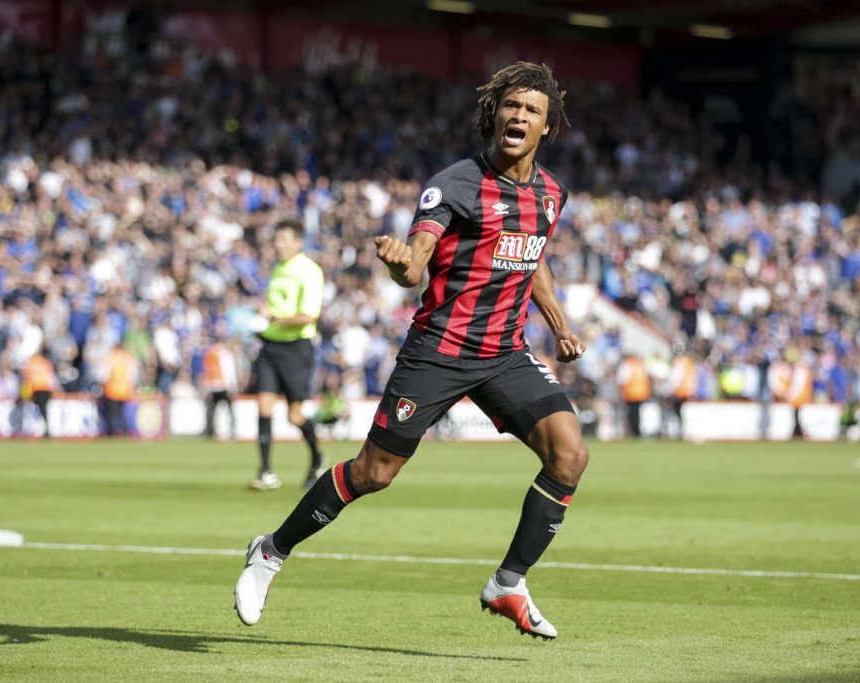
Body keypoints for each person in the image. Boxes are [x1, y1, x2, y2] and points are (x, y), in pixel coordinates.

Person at [235, 62, 589, 640]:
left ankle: (508, 583)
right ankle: (270, 552)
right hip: (440, 350)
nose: (518, 116)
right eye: (510, 107)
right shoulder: (453, 184)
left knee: (569, 455)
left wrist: (559, 324)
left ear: (547, 127)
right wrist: (404, 266)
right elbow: (416, 265)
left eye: (531, 110)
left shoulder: (552, 192)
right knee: (374, 474)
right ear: (494, 114)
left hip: (504, 351)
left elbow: (534, 257)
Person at [249, 218, 327, 490]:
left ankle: (318, 458)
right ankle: (266, 472)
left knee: (295, 416)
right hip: (270, 346)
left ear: (297, 241)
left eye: (282, 240)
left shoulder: (309, 270)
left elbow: (309, 316)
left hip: (296, 348)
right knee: (264, 406)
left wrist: (273, 317)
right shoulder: (278, 268)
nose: (277, 245)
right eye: (276, 240)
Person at [201, 334, 238, 440]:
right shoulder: (225, 353)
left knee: (211, 409)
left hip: (212, 385)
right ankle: (232, 430)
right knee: (229, 409)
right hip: (224, 384)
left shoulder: (209, 352)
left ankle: (209, 431)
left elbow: (206, 370)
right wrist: (233, 386)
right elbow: (228, 370)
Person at [102, 342, 138, 437]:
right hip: (125, 390)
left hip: (111, 390)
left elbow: (104, 374)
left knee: (113, 413)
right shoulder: (128, 357)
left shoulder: (110, 357)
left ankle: (114, 432)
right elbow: (133, 375)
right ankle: (124, 431)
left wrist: (102, 384)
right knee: (123, 412)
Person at [22, 348, 58, 438]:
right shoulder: (46, 362)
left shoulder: (32, 361)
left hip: (37, 388)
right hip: (46, 389)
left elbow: (27, 376)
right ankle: (45, 429)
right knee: (43, 409)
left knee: (40, 409)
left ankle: (42, 429)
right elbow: (51, 377)